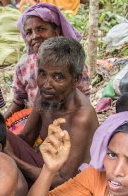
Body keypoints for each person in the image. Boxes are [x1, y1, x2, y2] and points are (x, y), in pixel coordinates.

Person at [8, 37, 99, 187]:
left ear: (76, 80)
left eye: (58, 77)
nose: (46, 84)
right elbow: (27, 137)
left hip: (70, 184)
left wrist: (13, 159)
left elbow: (63, 178)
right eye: (43, 74)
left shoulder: (81, 117)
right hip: (46, 167)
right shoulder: (45, 94)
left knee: (16, 185)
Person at [6, 3, 91, 119]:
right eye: (29, 32)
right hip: (33, 121)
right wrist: (1, 122)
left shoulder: (73, 63)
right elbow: (18, 101)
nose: (35, 36)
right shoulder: (23, 67)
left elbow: (84, 101)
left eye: (41, 29)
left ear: (56, 32)